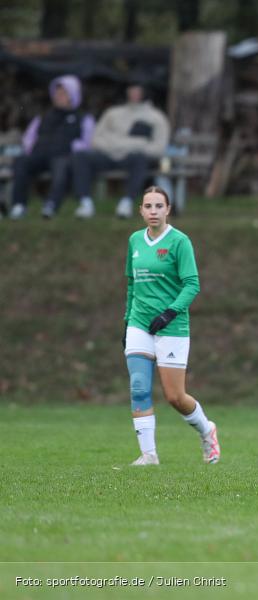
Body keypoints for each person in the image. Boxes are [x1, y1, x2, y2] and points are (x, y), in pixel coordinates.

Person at [123, 185, 220, 466]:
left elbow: (192, 284)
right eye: (148, 206)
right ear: (140, 210)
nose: (153, 211)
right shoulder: (134, 241)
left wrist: (170, 313)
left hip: (171, 327)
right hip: (139, 324)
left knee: (175, 396)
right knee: (139, 387)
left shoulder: (179, 242)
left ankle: (207, 430)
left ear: (168, 209)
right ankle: (148, 454)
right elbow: (132, 284)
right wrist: (127, 321)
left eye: (158, 206)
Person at [72, 82, 170, 219]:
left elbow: (158, 148)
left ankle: (126, 203)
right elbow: (95, 139)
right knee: (81, 156)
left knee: (140, 159)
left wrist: (120, 144)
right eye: (131, 90)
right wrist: (135, 143)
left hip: (133, 159)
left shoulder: (156, 117)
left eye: (138, 90)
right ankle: (85, 203)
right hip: (107, 155)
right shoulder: (112, 113)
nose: (134, 94)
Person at [9, 75, 94, 220]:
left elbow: (87, 141)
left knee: (61, 169)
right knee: (21, 162)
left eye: (63, 93)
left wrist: (73, 148)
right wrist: (30, 148)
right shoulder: (43, 116)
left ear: (72, 95)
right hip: (39, 154)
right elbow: (29, 137)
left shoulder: (83, 117)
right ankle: (19, 205)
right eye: (57, 93)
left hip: (63, 155)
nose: (58, 97)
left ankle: (51, 205)